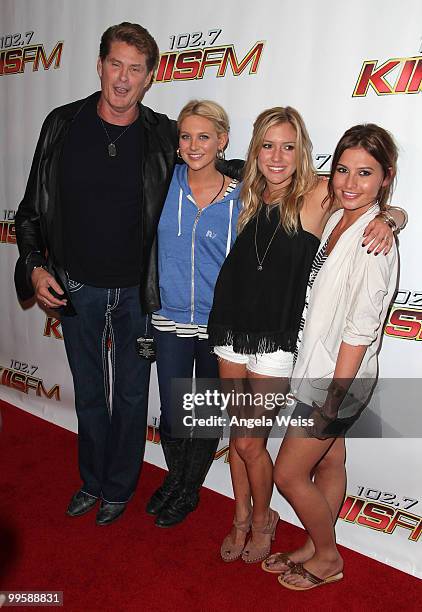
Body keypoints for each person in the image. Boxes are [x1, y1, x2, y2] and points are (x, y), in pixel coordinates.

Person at [207, 107, 405, 563]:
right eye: (268, 145)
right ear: (254, 150)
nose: (277, 156)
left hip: (282, 344)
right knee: (254, 441)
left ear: (303, 153)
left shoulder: (319, 194)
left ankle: (270, 526)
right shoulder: (247, 194)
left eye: (289, 146)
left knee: (250, 444)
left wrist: (391, 218)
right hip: (235, 327)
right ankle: (251, 520)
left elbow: (376, 196)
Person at [14, 22, 178, 525]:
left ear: (150, 76)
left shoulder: (164, 134)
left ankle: (119, 487)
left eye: (135, 69)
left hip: (137, 291)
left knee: (131, 395)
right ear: (100, 65)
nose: (123, 79)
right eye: (115, 65)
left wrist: (387, 213)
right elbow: (30, 209)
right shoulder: (62, 124)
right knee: (88, 390)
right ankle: (91, 480)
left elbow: (222, 176)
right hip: (76, 287)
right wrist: (35, 264)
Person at [267, 124, 399, 590]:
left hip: (336, 380)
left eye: (365, 173)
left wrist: (331, 402)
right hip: (319, 369)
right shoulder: (341, 216)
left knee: (287, 472)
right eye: (343, 169)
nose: (349, 182)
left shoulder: (373, 240)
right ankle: (313, 542)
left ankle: (327, 557)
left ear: (385, 177)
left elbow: (359, 329)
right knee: (329, 462)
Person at [146, 100, 242, 527]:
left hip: (216, 326)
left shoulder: (244, 196)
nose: (193, 144)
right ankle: (177, 478)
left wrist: (391, 213)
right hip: (168, 318)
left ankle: (186, 490)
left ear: (222, 140)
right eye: (185, 136)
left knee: (202, 412)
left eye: (204, 136)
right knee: (172, 412)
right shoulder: (162, 185)